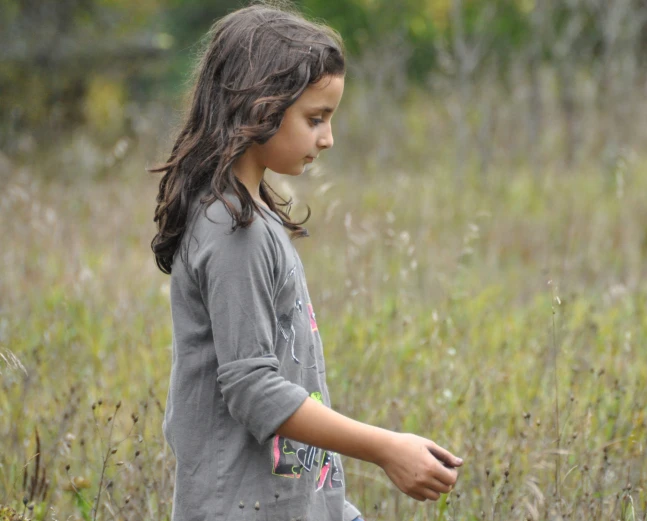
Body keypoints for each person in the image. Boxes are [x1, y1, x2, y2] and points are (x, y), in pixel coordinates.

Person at [148, 3, 463, 520]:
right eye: (315, 119)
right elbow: (253, 388)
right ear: (258, 108)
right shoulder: (233, 231)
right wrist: (385, 448)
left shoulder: (251, 218)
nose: (327, 138)